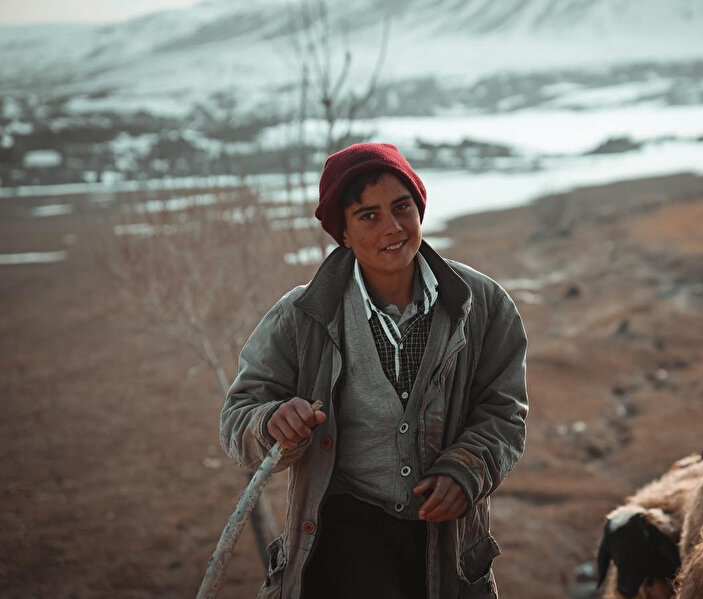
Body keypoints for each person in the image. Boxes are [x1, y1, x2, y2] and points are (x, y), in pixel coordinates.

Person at [220, 142, 528, 599]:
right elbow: (237, 416)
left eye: (402, 207)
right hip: (343, 534)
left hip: (444, 540)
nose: (393, 227)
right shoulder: (301, 317)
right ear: (342, 232)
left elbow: (504, 413)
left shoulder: (481, 306)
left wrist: (467, 469)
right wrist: (272, 422)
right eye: (368, 216)